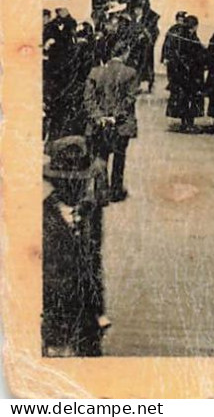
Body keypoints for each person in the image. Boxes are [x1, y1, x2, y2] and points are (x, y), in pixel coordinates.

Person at [42, 136, 107, 357]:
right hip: (56, 316)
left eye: (82, 182)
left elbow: (94, 263)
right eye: (71, 183)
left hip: (87, 320)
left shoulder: (90, 212)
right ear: (57, 184)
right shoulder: (42, 216)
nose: (79, 189)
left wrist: (98, 310)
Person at [83, 32, 137, 203]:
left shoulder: (95, 72)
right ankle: (116, 191)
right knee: (119, 157)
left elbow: (88, 99)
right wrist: (115, 116)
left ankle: (101, 193)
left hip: (98, 123)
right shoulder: (130, 73)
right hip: (121, 124)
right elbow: (129, 98)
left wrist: (99, 117)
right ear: (125, 52)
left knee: (100, 156)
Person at [43, 0, 87, 141]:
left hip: (67, 72)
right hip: (53, 72)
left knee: (65, 106)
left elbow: (72, 46)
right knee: (54, 107)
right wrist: (47, 45)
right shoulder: (50, 26)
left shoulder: (71, 24)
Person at [161, 12, 207, 132]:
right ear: (195, 26)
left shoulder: (180, 35)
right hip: (191, 74)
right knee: (191, 98)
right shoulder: (191, 38)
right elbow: (197, 54)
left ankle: (183, 122)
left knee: (182, 98)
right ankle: (189, 123)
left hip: (180, 73)